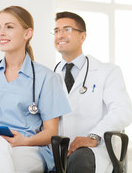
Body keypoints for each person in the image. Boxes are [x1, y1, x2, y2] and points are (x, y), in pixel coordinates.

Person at [0, 6, 71, 172]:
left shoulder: (46, 77)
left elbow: (51, 132)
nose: (1, 33)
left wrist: (25, 141)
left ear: (27, 34)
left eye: (9, 27)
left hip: (26, 148)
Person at [53, 11, 132, 173]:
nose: (60, 35)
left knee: (80, 160)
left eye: (66, 29)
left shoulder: (107, 71)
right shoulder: (49, 77)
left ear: (83, 37)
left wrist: (94, 136)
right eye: (56, 31)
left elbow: (122, 110)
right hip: (59, 150)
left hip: (95, 151)